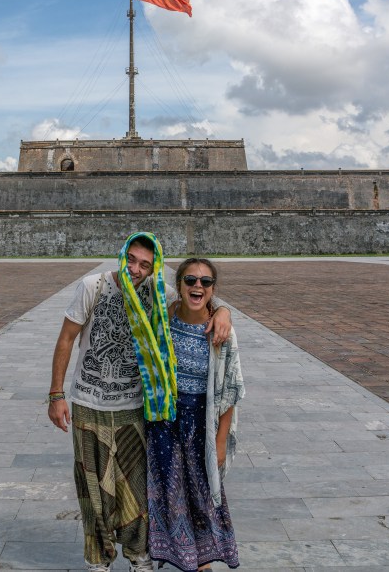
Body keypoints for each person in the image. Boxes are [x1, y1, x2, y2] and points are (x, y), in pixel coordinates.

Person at [48, 233, 232, 572]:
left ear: (154, 268)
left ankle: (137, 554)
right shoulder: (93, 286)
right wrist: (56, 394)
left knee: (135, 488)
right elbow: (65, 339)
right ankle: (99, 559)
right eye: (131, 259)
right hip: (89, 402)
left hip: (135, 405)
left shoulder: (158, 291)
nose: (135, 268)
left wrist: (223, 313)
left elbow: (200, 298)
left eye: (145, 264)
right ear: (121, 255)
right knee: (92, 487)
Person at [147, 258, 244, 571]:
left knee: (203, 495)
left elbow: (230, 392)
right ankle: (178, 555)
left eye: (205, 282)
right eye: (190, 280)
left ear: (213, 289)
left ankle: (201, 562)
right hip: (163, 422)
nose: (197, 286)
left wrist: (219, 441)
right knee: (167, 491)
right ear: (179, 286)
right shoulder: (162, 317)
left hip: (200, 421)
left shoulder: (221, 330)